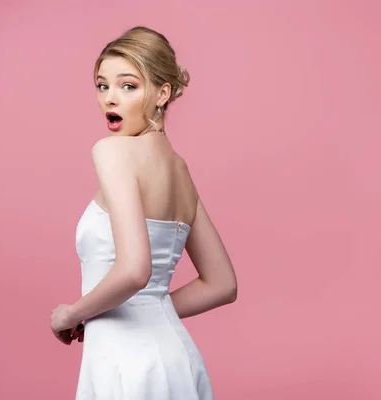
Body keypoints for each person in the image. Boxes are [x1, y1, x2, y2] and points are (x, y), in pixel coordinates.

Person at [49, 26, 238, 399]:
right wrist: (118, 310)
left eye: (128, 86)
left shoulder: (112, 152)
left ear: (162, 93)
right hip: (177, 360)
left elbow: (135, 270)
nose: (110, 99)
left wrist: (71, 314)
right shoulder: (180, 171)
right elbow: (222, 284)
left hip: (127, 365)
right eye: (102, 86)